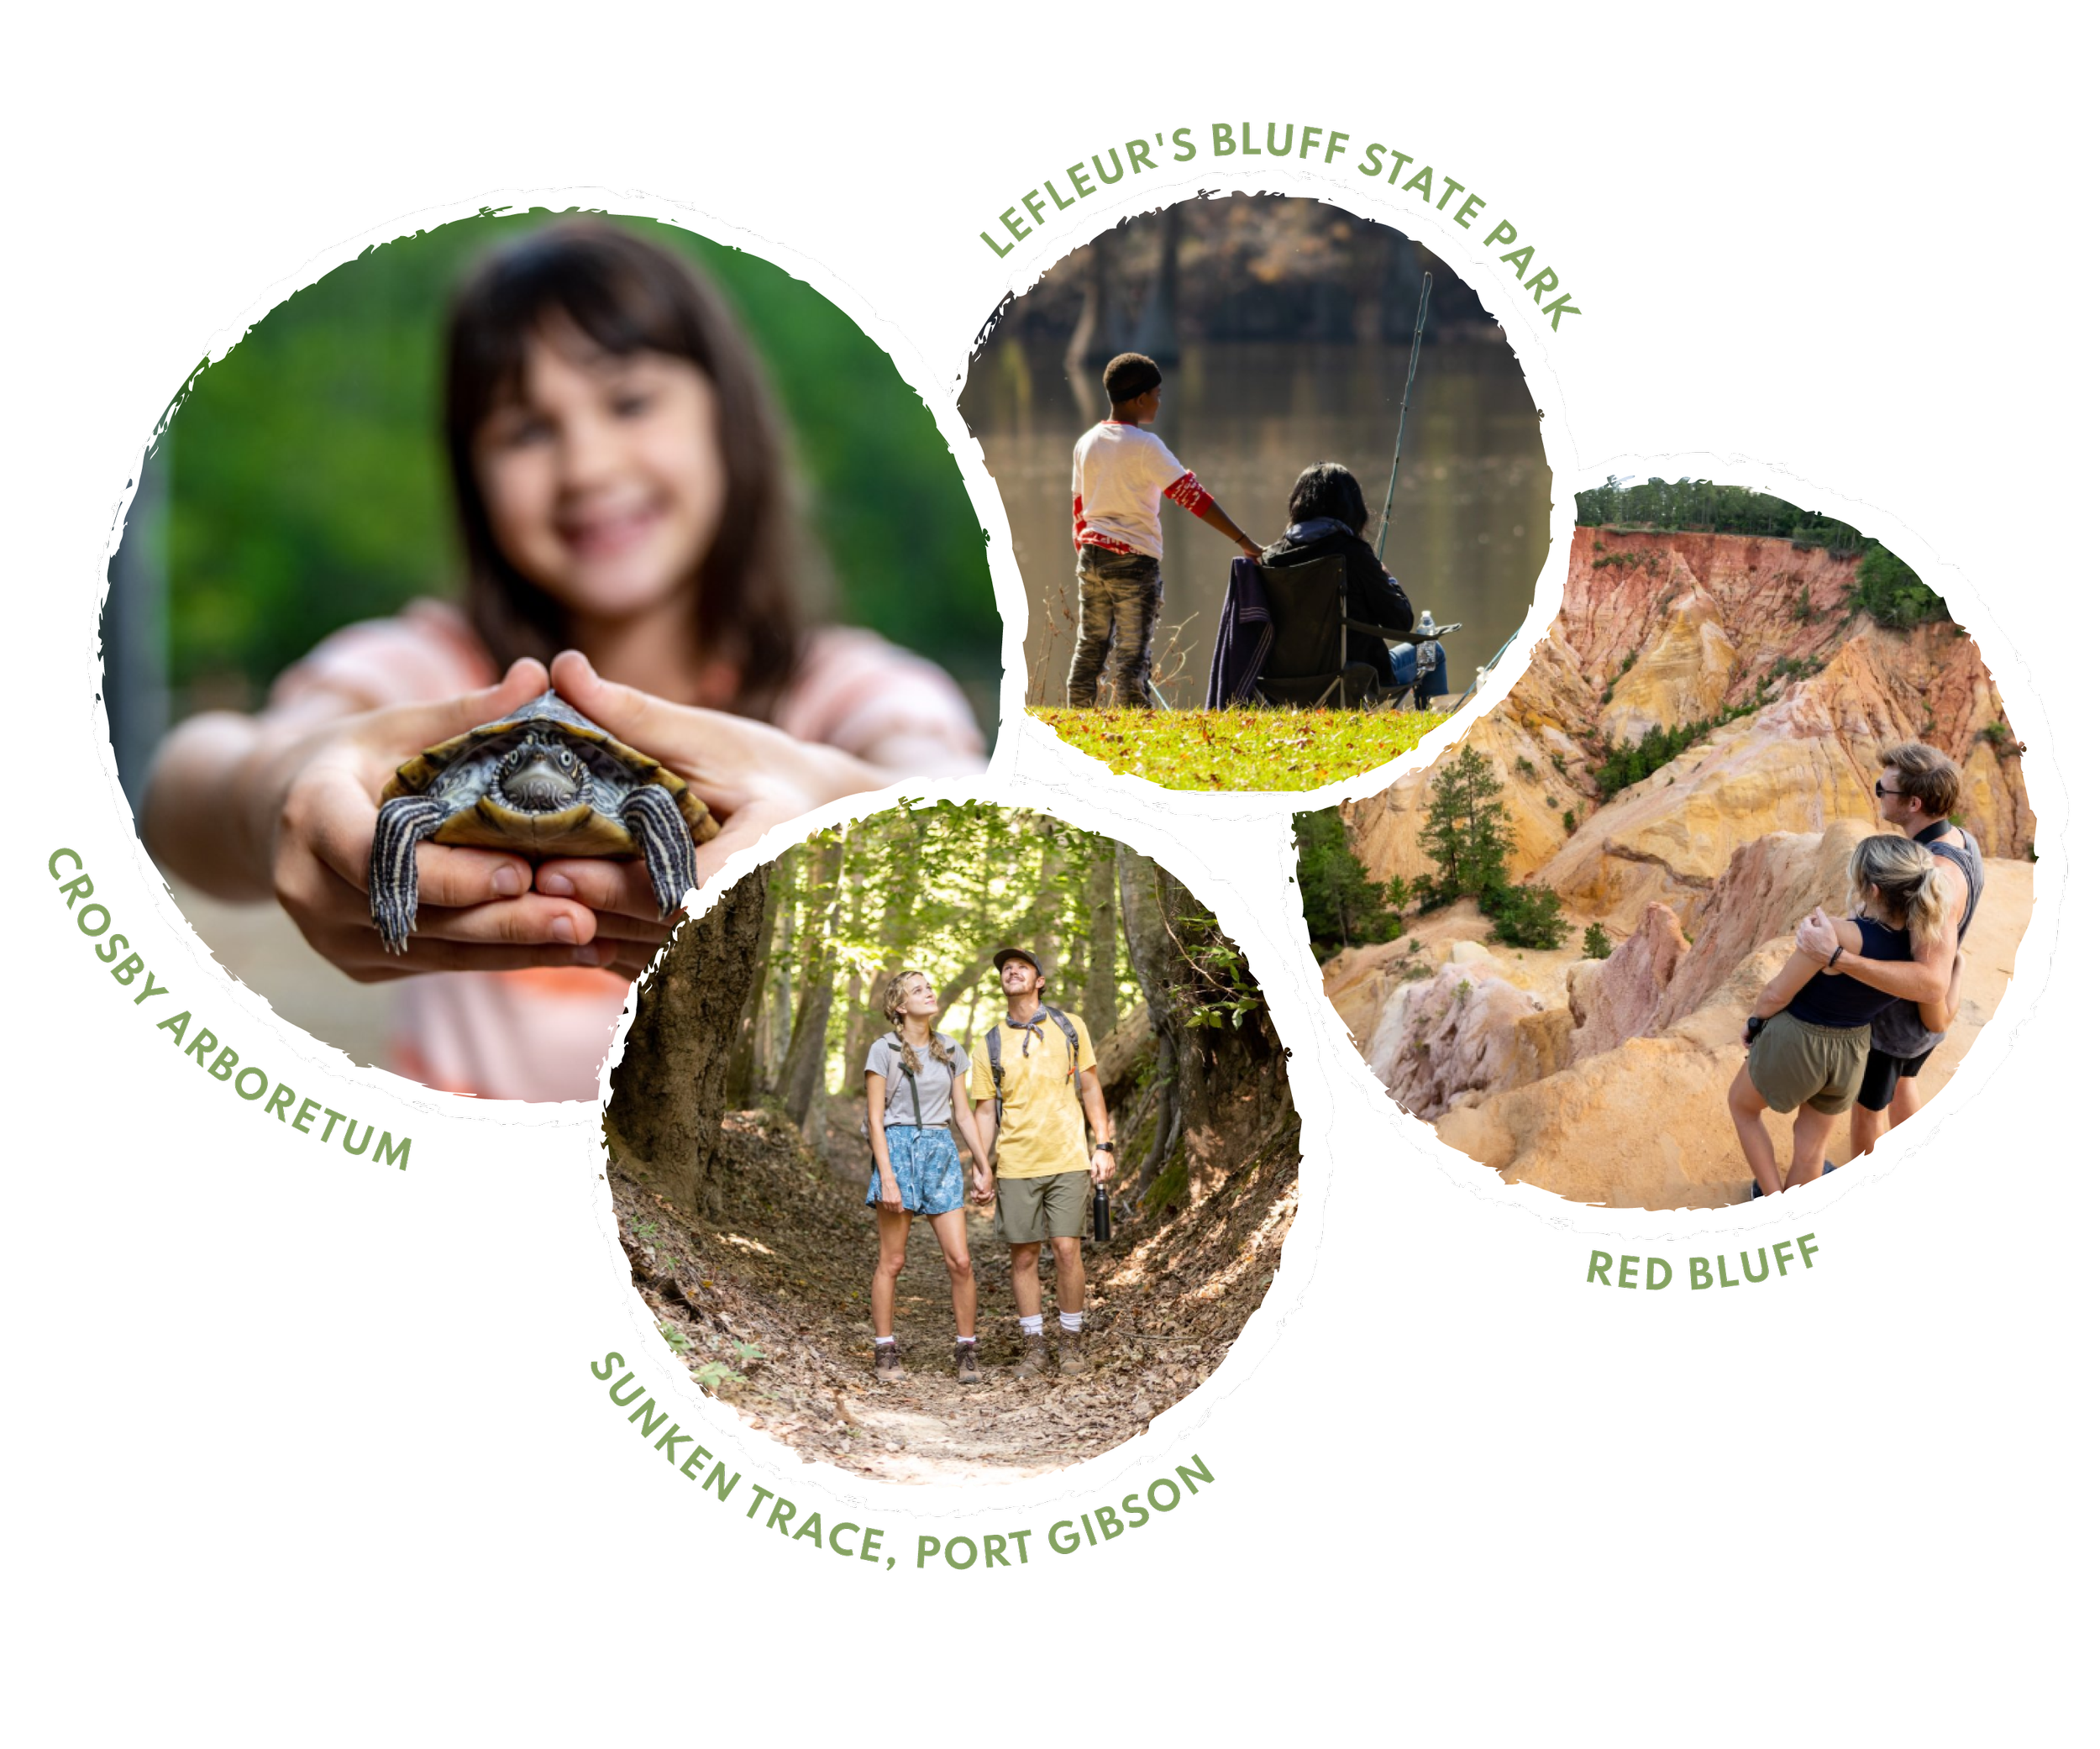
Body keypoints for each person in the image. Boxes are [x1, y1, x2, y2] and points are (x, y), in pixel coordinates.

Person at [143, 220, 984, 1100]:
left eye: (627, 402)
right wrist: (283, 790)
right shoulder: (431, 673)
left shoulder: (845, 691)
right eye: (526, 430)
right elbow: (188, 777)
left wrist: (835, 809)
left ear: (726, 418)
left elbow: (945, 777)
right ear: (471, 476)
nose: (585, 464)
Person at [1729, 834, 1956, 1198]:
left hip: (1798, 1040)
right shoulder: (1919, 946)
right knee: (1812, 1148)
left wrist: (1754, 1022)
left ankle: (1771, 1205)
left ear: (1875, 890)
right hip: (1851, 1054)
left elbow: (1777, 992)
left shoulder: (1836, 935)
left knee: (1742, 1107)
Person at [1794, 743, 1982, 1157]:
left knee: (1867, 1112)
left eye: (1884, 790)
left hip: (1896, 1027)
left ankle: (1870, 1197)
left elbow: (1932, 982)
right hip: (1920, 1029)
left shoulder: (1934, 875)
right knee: (1902, 1084)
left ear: (1913, 803)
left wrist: (1837, 958)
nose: (1877, 792)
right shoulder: (1963, 841)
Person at [1066, 352, 1261, 708]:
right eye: (1157, 393)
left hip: (1091, 557)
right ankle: (1136, 728)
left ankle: (1077, 720)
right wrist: (1244, 541)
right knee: (1132, 654)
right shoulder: (1146, 447)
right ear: (1140, 399)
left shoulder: (1087, 442)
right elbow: (1192, 497)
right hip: (1133, 562)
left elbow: (1079, 507)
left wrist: (1086, 549)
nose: (1159, 400)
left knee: (1090, 647)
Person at [969, 947, 1114, 1380]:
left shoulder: (1070, 1027)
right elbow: (983, 1111)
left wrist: (1103, 1145)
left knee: (1067, 1249)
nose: (1012, 972)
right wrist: (982, 1165)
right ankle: (1034, 1346)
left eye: (1022, 967)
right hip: (1015, 1163)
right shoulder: (990, 1042)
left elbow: (1090, 1089)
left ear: (1039, 980)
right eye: (1006, 969)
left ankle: (1069, 1342)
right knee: (1024, 1256)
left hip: (1068, 1157)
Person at [865, 970, 994, 1385]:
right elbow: (874, 1117)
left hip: (940, 1151)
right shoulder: (882, 1049)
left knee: (961, 1261)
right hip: (898, 1151)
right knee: (894, 1260)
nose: (929, 992)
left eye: (929, 987)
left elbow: (962, 1112)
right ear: (901, 1007)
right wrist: (887, 1175)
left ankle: (966, 1350)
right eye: (918, 990)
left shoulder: (952, 1049)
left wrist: (982, 1162)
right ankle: (885, 1349)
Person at [1260, 461, 1448, 701]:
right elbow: (1401, 621)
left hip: (1283, 680)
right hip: (1353, 676)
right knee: (1433, 651)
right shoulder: (1354, 554)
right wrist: (1387, 576)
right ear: (1351, 508)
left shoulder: (1272, 557)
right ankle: (1434, 733)